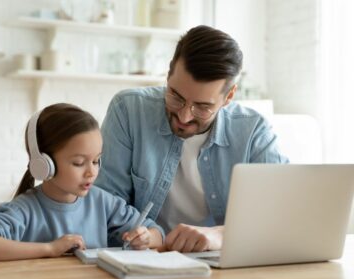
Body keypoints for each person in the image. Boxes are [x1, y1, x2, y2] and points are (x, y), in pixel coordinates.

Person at [95, 25, 289, 252]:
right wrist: (154, 237)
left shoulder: (253, 131)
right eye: (176, 97)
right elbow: (105, 201)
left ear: (229, 96)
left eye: (202, 107)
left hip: (220, 263)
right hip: (145, 257)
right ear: (168, 74)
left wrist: (221, 235)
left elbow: (281, 210)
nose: (184, 116)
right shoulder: (129, 110)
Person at [0, 103, 163, 262]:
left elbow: (158, 233)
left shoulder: (103, 202)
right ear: (44, 164)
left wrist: (146, 238)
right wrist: (50, 248)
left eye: (96, 161)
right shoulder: (24, 209)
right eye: (78, 163)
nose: (91, 172)